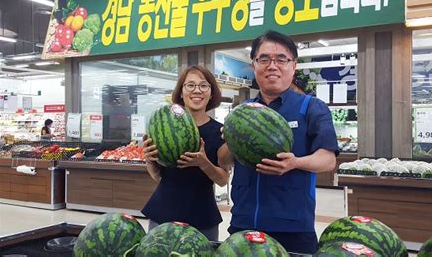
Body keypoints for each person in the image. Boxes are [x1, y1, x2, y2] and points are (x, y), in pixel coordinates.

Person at [220, 31, 339, 254]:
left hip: (292, 228)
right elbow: (223, 160)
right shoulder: (241, 112)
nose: (272, 65)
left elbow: (328, 159)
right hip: (243, 224)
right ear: (254, 65)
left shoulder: (311, 107)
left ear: (293, 66)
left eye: (281, 59)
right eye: (264, 59)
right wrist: (230, 137)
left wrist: (296, 163)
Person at [141, 65, 230, 241]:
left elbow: (222, 180)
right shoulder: (164, 124)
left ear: (211, 93)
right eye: (190, 85)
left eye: (204, 85)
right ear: (181, 92)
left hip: (202, 218)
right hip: (162, 212)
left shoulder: (220, 131)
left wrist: (203, 162)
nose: (197, 90)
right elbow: (159, 177)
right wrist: (150, 160)